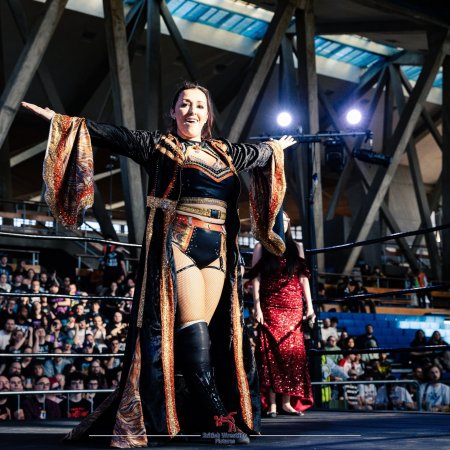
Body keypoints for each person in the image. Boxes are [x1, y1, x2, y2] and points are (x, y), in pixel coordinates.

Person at [22, 80, 293, 446]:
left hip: (218, 251)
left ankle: (198, 416)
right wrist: (61, 121)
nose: (192, 111)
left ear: (208, 115)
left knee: (205, 336)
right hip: (179, 242)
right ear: (173, 111)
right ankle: (219, 418)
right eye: (185, 104)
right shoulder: (158, 146)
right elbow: (113, 135)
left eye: (199, 105)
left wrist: (275, 148)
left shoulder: (227, 152)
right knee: (194, 331)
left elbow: (258, 154)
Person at [250, 212, 314, 417]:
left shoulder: (297, 247)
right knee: (270, 352)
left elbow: (303, 278)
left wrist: (310, 307)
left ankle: (286, 402)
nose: (283, 223)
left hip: (293, 306)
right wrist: (257, 307)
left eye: (286, 220)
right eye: (280, 220)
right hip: (270, 305)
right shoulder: (261, 247)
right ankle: (272, 404)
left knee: (291, 354)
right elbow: (256, 278)